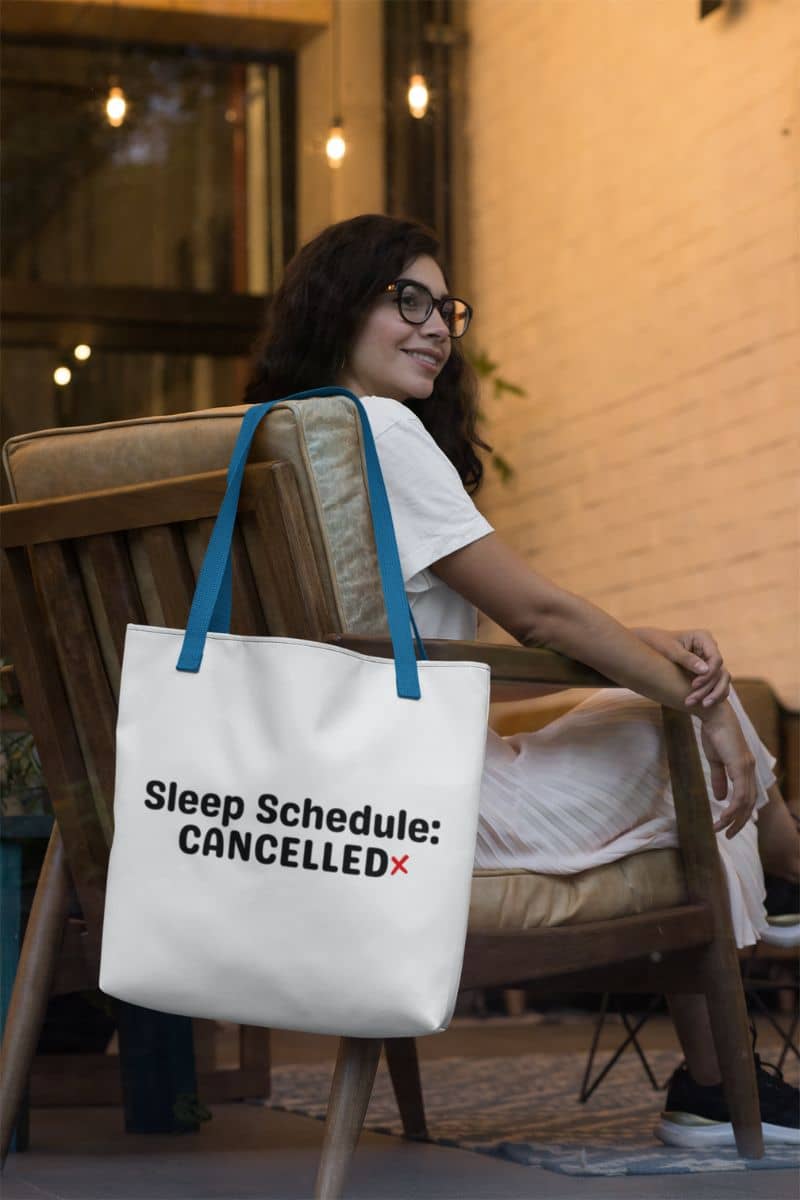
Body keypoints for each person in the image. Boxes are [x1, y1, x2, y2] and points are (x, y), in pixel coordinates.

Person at [246, 213, 799, 1147]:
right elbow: (537, 617)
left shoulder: (272, 441)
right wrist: (694, 701)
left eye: (445, 309)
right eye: (406, 300)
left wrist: (640, 655)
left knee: (658, 704)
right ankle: (756, 968)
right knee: (696, 725)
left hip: (313, 788)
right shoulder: (376, 429)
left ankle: (744, 1000)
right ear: (338, 306)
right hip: (419, 805)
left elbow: (437, 658)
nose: (436, 328)